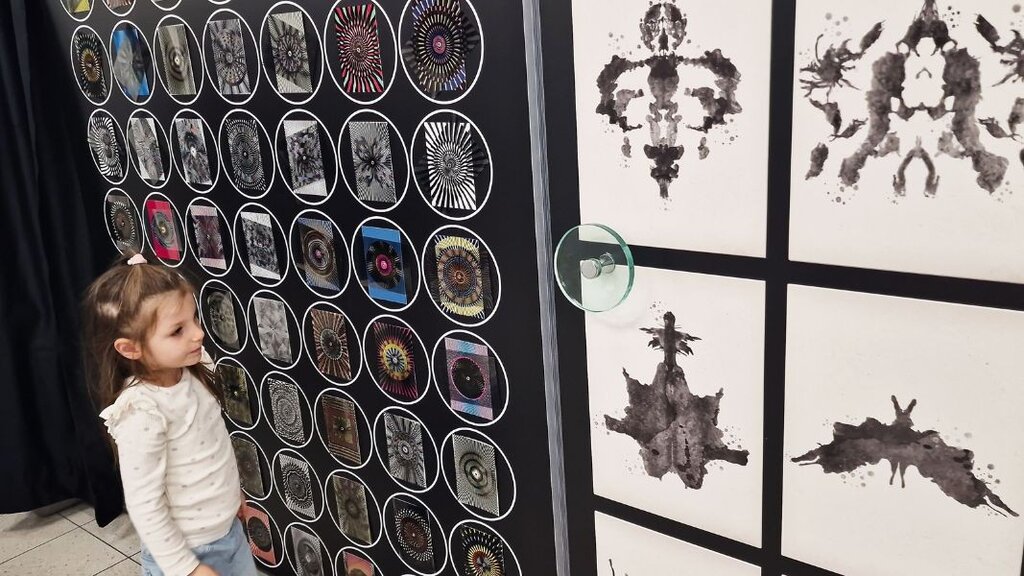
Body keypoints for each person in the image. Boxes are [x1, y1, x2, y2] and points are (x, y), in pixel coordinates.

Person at [81, 252, 256, 576]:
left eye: (194, 319)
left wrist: (233, 497)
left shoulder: (195, 370)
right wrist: (186, 568)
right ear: (130, 348)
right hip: (186, 554)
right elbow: (145, 505)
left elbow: (211, 448)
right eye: (177, 330)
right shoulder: (142, 412)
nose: (197, 334)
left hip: (228, 534)